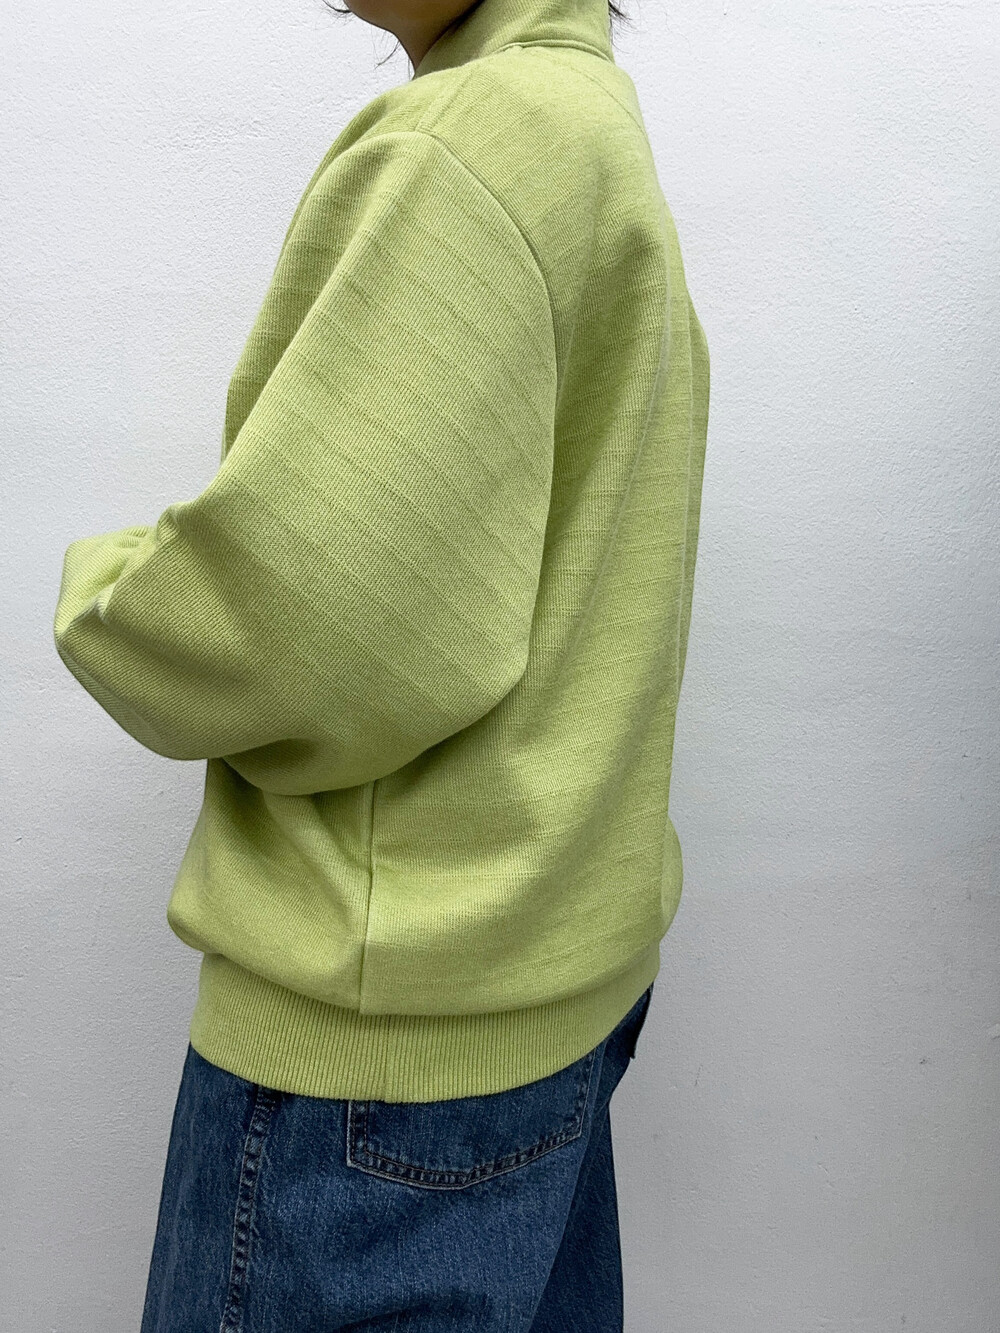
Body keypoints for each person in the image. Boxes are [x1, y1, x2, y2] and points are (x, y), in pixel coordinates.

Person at [51, 0, 709, 1324]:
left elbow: (314, 628)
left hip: (376, 1070)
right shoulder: (588, 121)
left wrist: (106, 597)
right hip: (543, 1007)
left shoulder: (467, 147)